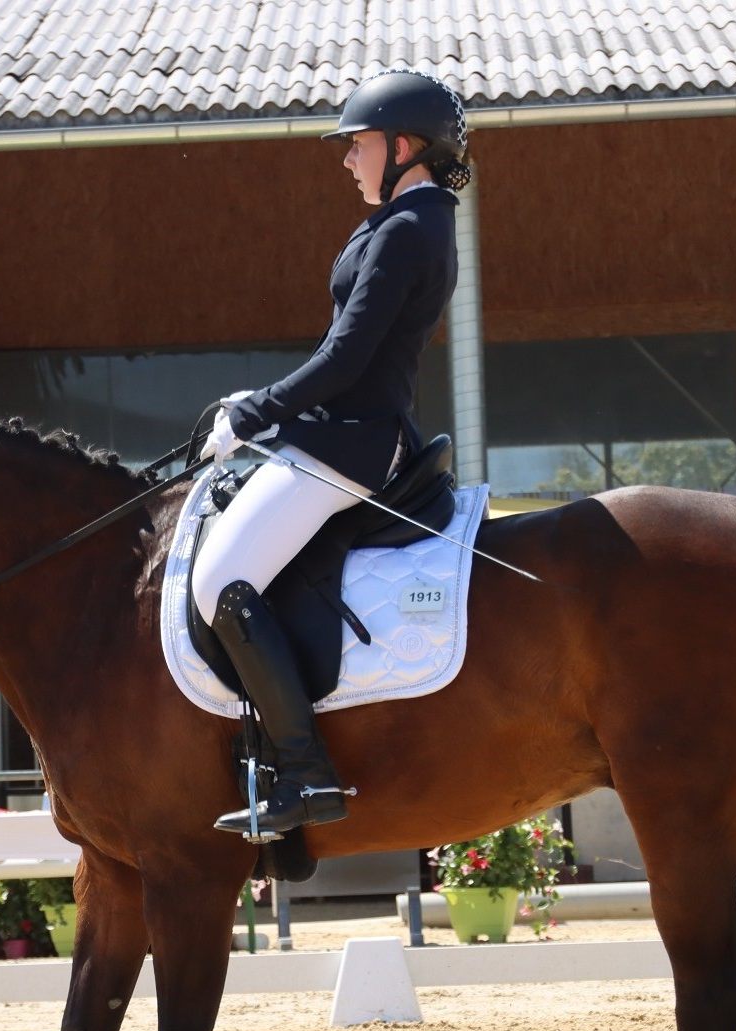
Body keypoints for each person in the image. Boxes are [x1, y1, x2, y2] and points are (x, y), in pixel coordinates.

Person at [191, 68, 470, 839]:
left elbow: (346, 359)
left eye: (358, 144)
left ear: (403, 147)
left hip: (350, 445)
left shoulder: (412, 228)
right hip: (331, 432)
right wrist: (268, 411)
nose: (347, 159)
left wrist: (258, 408)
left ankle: (305, 771)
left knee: (221, 578)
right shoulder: (400, 219)